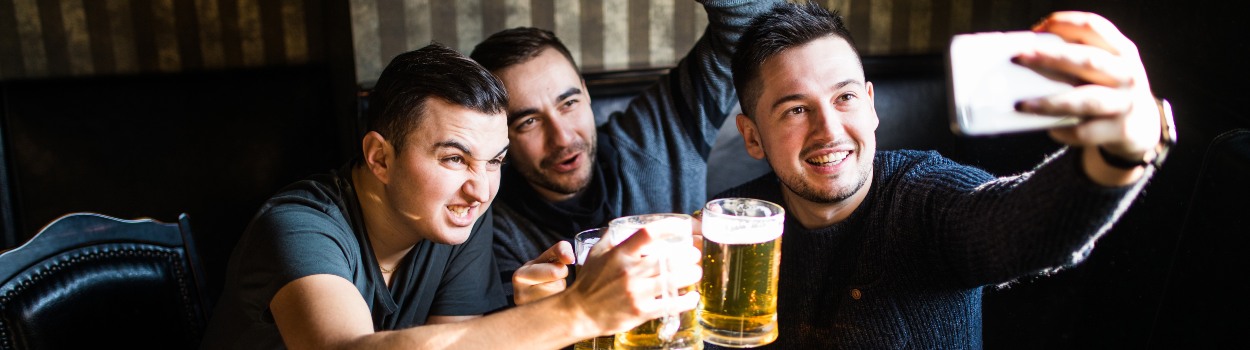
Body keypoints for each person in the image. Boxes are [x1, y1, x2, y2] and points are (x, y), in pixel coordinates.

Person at [705, 2, 1170, 348]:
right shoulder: (733, 227)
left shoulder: (924, 195)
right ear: (753, 137)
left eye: (844, 98)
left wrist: (1119, 154)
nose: (829, 130)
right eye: (796, 110)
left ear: (870, 104)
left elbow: (1021, 228)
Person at [200, 43, 702, 349]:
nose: (480, 189)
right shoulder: (299, 224)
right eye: (453, 158)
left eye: (495, 160)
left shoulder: (460, 220)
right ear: (379, 157)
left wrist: (531, 321)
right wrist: (576, 313)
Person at [468, 0, 781, 302]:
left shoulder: (657, 134)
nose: (562, 138)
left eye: (569, 103)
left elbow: (759, 22)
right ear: (498, 133)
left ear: (586, 92)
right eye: (529, 121)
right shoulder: (487, 229)